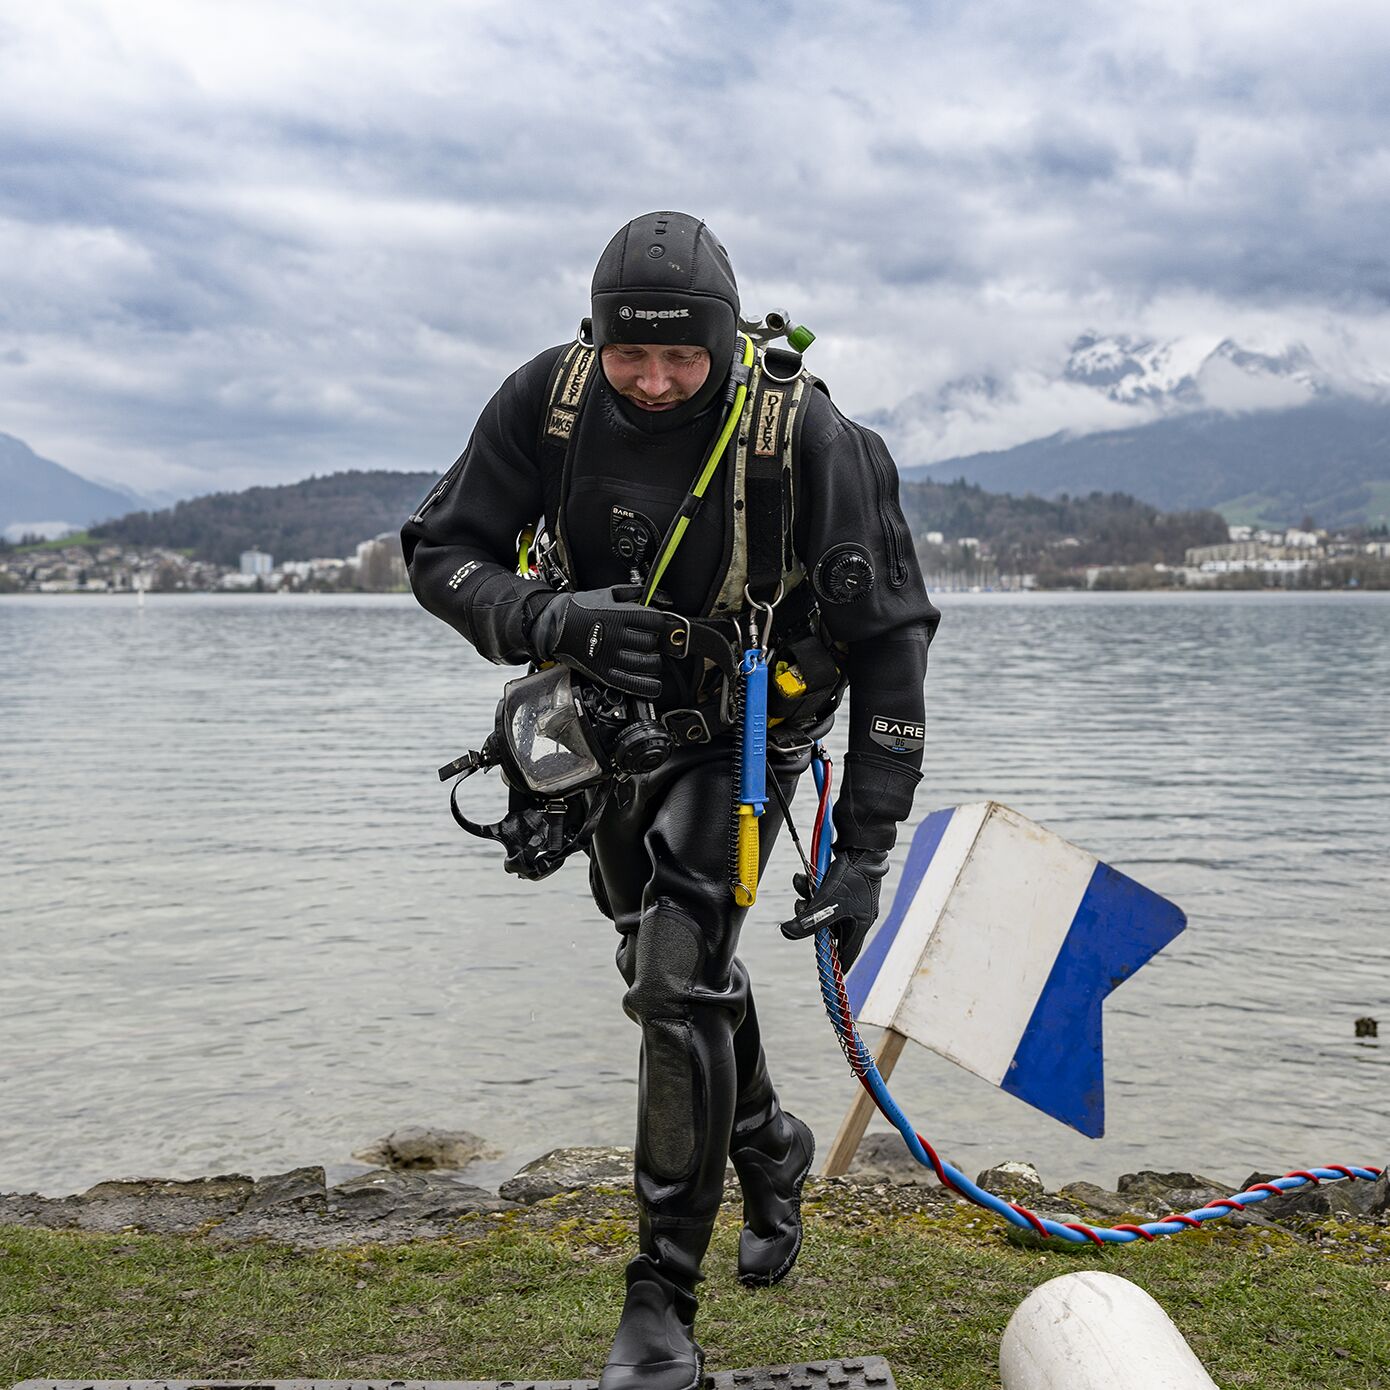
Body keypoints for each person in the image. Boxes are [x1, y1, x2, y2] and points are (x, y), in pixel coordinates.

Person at [402, 211, 938, 1390]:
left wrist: (863, 852)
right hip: (608, 724)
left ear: (725, 341)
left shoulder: (809, 437)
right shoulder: (547, 400)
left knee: (671, 976)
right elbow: (441, 552)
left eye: (679, 357)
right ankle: (768, 1140)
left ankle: (660, 1303)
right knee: (656, 964)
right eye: (629, 355)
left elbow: (892, 643)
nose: (651, 381)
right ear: (596, 338)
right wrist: (549, 618)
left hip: (748, 736)